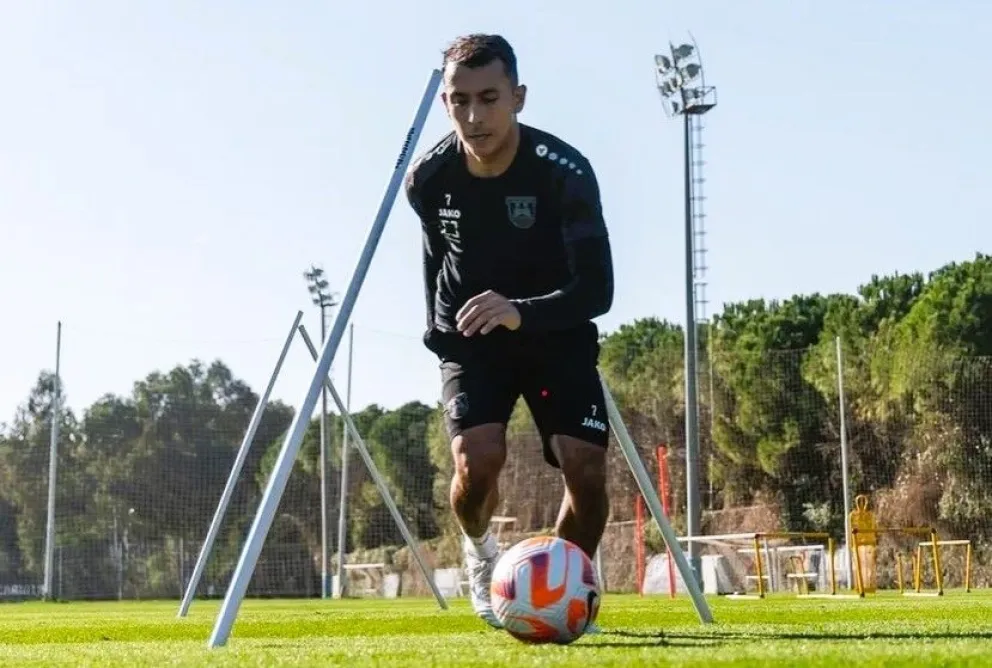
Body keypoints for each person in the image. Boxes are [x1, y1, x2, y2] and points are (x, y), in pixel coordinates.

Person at [404, 33, 615, 629]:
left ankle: (565, 586)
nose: (474, 116)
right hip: (473, 338)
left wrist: (521, 309)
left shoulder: (565, 172)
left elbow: (597, 290)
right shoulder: (428, 178)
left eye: (489, 98)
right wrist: (439, 337)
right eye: (460, 100)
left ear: (518, 97)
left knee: (586, 472)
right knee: (476, 465)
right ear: (445, 103)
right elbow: (435, 261)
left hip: (556, 331)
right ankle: (481, 554)